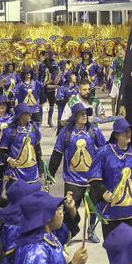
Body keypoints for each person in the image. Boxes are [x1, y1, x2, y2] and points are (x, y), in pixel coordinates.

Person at [48, 102, 106, 239]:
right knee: (69, 208)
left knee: (93, 207)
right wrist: (49, 174)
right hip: (72, 179)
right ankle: (68, 233)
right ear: (74, 117)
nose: (85, 116)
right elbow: (57, 154)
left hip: (92, 179)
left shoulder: (94, 131)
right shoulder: (66, 133)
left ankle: (91, 230)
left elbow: (105, 150)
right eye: (81, 114)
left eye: (86, 113)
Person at [88, 117, 132, 237]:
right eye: (125, 132)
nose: (128, 134)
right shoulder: (104, 153)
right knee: (115, 251)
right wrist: (104, 193)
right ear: (116, 135)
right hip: (112, 213)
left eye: (129, 131)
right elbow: (94, 178)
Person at [1, 103, 43, 185]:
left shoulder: (34, 128)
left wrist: (40, 167)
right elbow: (1, 151)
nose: (30, 115)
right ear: (20, 115)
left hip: (33, 172)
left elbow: (37, 148)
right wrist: (9, 160)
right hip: (16, 173)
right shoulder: (10, 131)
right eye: (27, 113)